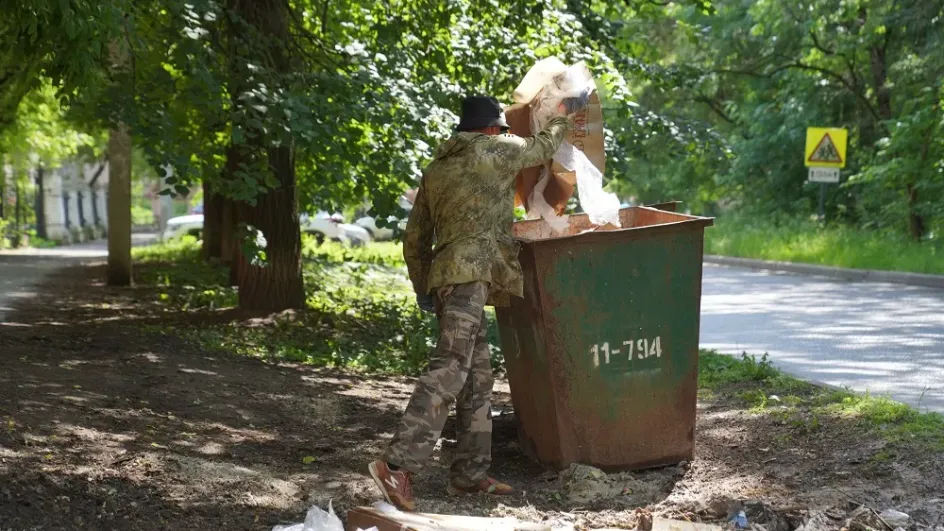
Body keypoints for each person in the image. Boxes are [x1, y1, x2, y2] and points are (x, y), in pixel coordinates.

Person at [368, 95, 571, 511]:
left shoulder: (437, 167)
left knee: (478, 377)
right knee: (451, 367)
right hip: (470, 276)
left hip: (447, 278)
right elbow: (543, 147)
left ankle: (468, 475)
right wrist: (562, 117)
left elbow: (414, 240)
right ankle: (396, 465)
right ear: (493, 129)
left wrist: (424, 286)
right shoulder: (496, 150)